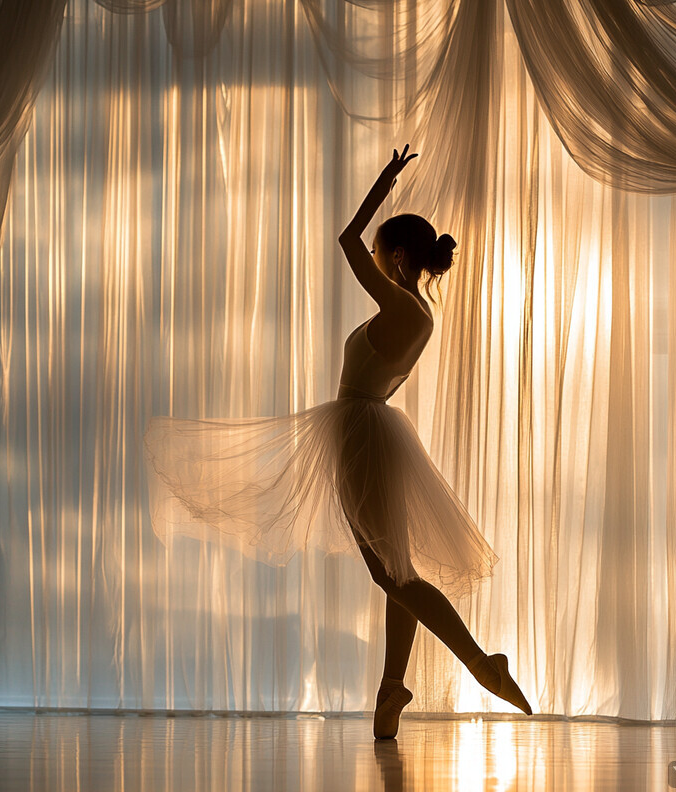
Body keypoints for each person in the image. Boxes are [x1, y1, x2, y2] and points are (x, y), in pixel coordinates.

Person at [143, 145, 532, 742]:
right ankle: (391, 687)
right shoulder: (421, 313)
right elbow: (360, 249)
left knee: (392, 576)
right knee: (397, 569)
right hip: (375, 434)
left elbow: (349, 238)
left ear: (396, 257)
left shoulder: (401, 304)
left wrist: (384, 181)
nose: (372, 261)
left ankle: (480, 662)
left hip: (361, 437)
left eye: (383, 254)